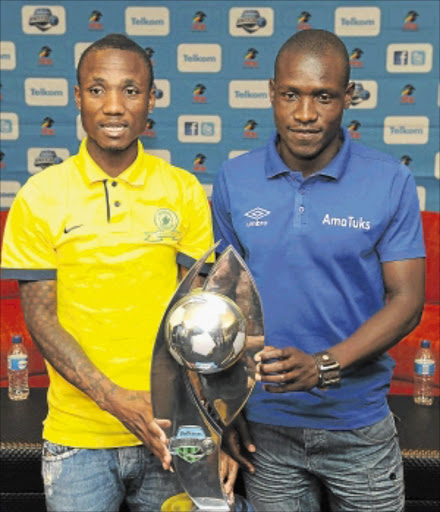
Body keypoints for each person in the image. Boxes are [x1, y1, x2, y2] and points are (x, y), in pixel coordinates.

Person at [1, 34, 237, 511]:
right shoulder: (40, 196)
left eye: (130, 90)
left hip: (170, 434)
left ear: (151, 99)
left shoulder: (183, 191)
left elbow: (201, 326)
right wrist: (115, 399)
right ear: (77, 98)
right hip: (78, 441)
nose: (113, 106)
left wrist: (215, 427)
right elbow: (42, 321)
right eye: (97, 89)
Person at [212, 29, 425, 512]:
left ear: (348, 97)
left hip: (358, 427)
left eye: (323, 97)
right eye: (290, 95)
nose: (305, 115)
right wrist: (226, 408)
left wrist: (323, 365)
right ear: (271, 92)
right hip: (265, 431)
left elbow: (408, 302)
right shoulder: (234, 180)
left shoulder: (389, 180)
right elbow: (224, 302)